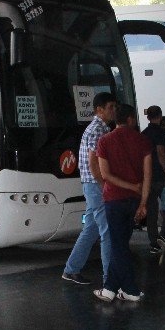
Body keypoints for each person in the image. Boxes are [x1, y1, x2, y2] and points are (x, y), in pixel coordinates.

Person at [93, 104, 151, 303]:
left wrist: (129, 186)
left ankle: (124, 290)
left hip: (113, 199)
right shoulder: (143, 141)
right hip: (133, 201)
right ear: (131, 119)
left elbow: (105, 175)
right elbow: (147, 176)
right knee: (121, 243)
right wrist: (143, 201)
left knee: (118, 245)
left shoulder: (104, 141)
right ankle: (118, 288)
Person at [62, 92, 116, 286]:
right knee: (107, 231)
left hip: (92, 184)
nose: (114, 111)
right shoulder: (97, 130)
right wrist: (103, 184)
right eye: (110, 107)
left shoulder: (100, 128)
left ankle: (71, 269)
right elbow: (94, 162)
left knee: (91, 229)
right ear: (99, 110)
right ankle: (109, 279)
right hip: (95, 185)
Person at [141, 105, 165, 254]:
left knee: (152, 211)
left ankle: (153, 242)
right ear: (160, 116)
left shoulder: (143, 134)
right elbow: (161, 154)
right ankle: (164, 236)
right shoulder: (161, 132)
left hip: (147, 177)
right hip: (160, 177)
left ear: (148, 117)